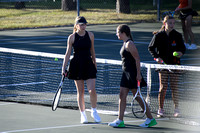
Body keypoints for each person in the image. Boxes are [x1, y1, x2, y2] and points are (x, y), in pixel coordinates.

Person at [108, 24, 157, 128]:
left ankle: (150, 119)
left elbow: (137, 59)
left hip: (132, 74)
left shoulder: (129, 44)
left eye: (117, 32)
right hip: (125, 73)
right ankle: (120, 120)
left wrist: (138, 74)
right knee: (122, 95)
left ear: (123, 33)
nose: (116, 34)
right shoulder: (125, 43)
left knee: (138, 97)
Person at [62, 16, 101, 124]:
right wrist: (63, 67)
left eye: (85, 24)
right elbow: (67, 54)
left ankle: (94, 111)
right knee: (81, 91)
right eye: (81, 24)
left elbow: (92, 51)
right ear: (76, 25)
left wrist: (95, 64)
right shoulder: (72, 37)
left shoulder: (90, 35)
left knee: (92, 90)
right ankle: (83, 114)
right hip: (76, 65)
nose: (84, 26)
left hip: (89, 64)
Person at [148, 15, 186, 117]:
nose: (172, 25)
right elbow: (151, 48)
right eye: (170, 23)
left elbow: (183, 48)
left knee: (174, 87)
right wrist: (157, 58)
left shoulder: (177, 35)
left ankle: (176, 109)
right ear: (165, 24)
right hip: (163, 66)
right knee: (163, 87)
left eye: (173, 23)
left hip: (175, 65)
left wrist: (180, 53)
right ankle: (160, 109)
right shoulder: (158, 36)